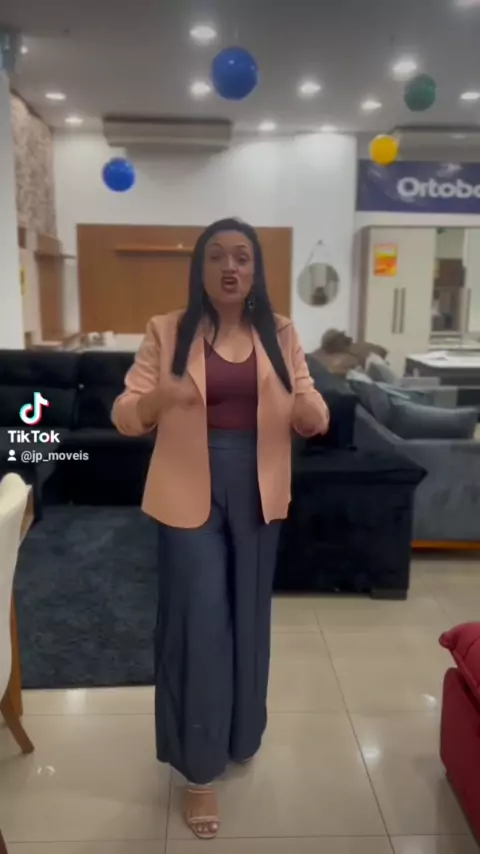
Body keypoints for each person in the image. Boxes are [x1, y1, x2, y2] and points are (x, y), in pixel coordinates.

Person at [111, 218, 329, 839]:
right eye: (216, 257)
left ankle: (240, 735)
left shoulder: (280, 331)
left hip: (259, 492)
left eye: (241, 257)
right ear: (200, 268)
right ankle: (199, 771)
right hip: (187, 492)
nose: (229, 267)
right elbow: (125, 411)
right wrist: (159, 399)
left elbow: (308, 400)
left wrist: (312, 411)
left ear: (255, 269)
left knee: (249, 621)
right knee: (199, 625)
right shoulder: (167, 330)